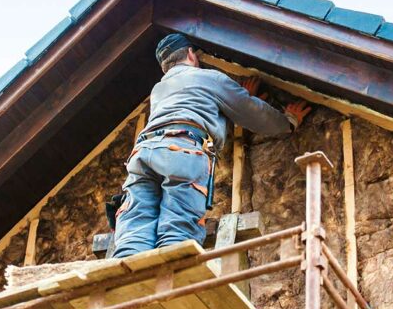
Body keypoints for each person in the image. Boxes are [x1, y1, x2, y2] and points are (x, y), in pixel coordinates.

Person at [112, 33, 311, 258]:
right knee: (177, 228)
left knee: (135, 226)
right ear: (190, 54)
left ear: (165, 67)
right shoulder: (209, 78)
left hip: (143, 153)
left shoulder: (159, 90)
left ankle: (125, 280)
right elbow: (250, 111)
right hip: (182, 151)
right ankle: (172, 285)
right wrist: (288, 122)